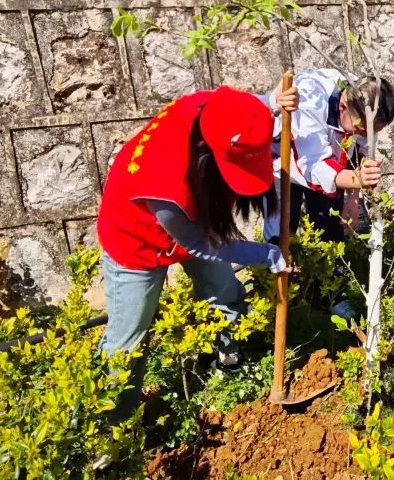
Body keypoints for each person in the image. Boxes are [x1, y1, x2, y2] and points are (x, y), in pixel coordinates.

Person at [96, 82, 298, 420]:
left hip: (194, 216)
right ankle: (110, 426)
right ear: (209, 154)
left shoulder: (212, 109)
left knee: (225, 292)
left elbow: (243, 112)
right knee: (128, 342)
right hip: (135, 239)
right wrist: (266, 255)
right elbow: (202, 245)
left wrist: (270, 102)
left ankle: (229, 362)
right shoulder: (165, 182)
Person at [262, 68, 394, 319]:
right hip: (284, 163)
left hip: (331, 163)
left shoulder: (366, 104)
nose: (364, 134)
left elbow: (359, 151)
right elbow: (313, 166)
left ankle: (328, 293)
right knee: (281, 230)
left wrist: (352, 199)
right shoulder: (309, 99)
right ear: (343, 106)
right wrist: (356, 179)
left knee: (330, 224)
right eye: (360, 129)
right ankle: (276, 298)